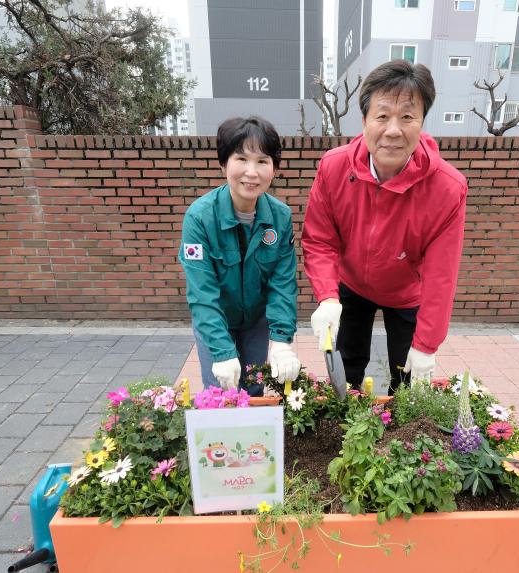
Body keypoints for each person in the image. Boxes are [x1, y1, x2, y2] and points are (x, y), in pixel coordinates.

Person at [302, 60, 468, 395]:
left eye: (407, 117)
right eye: (382, 116)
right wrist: (328, 296)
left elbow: (441, 275)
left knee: (407, 380)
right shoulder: (334, 168)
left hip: (407, 291)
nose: (393, 130)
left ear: (421, 122)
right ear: (364, 121)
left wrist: (427, 344)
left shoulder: (447, 188)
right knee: (346, 372)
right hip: (351, 285)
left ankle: (403, 441)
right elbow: (319, 240)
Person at [180, 116, 300, 396]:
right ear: (224, 163)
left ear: (274, 168)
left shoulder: (280, 218)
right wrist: (222, 351)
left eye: (262, 161)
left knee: (254, 387)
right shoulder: (199, 218)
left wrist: (282, 340)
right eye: (241, 159)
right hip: (216, 318)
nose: (252, 172)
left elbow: (282, 283)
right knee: (220, 392)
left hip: (255, 322)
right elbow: (202, 294)